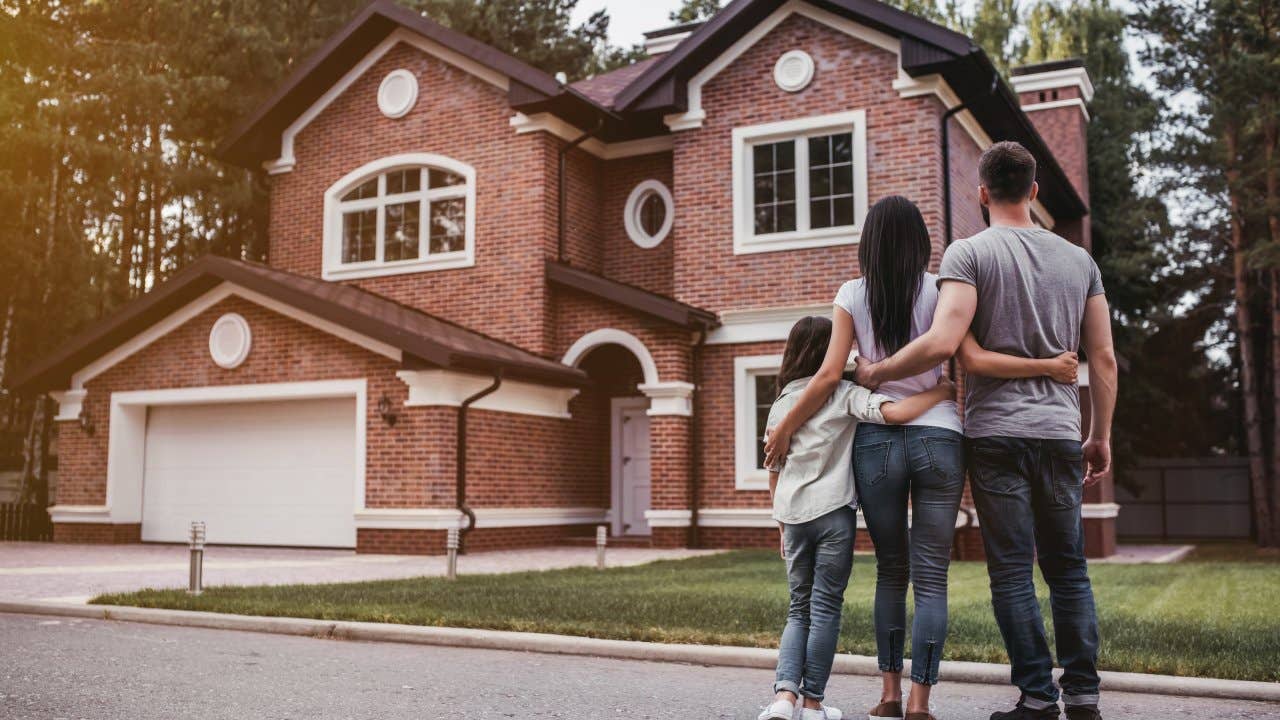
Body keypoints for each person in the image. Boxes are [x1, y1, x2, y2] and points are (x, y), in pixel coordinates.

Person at [763, 196, 1078, 720]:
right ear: (921, 243)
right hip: (939, 439)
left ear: (868, 242)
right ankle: (918, 703)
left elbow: (825, 377)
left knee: (891, 571)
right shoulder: (942, 289)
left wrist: (785, 430)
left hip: (877, 443)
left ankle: (887, 695)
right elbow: (969, 357)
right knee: (931, 577)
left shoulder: (851, 294)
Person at [847, 141, 1117, 720]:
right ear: (1035, 190)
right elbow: (1106, 360)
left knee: (1013, 570)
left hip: (996, 435)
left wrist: (874, 372)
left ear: (982, 193)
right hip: (1061, 430)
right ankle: (1086, 697)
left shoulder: (969, 255)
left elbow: (947, 346)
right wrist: (1100, 435)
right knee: (1069, 568)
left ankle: (1039, 699)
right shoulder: (1080, 262)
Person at [758, 315, 956, 720]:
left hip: (793, 518)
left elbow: (773, 471)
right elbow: (897, 414)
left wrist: (781, 525)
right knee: (826, 607)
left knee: (799, 608)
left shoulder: (780, 407)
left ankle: (783, 697)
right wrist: (941, 391)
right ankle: (813, 703)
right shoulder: (844, 394)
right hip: (834, 517)